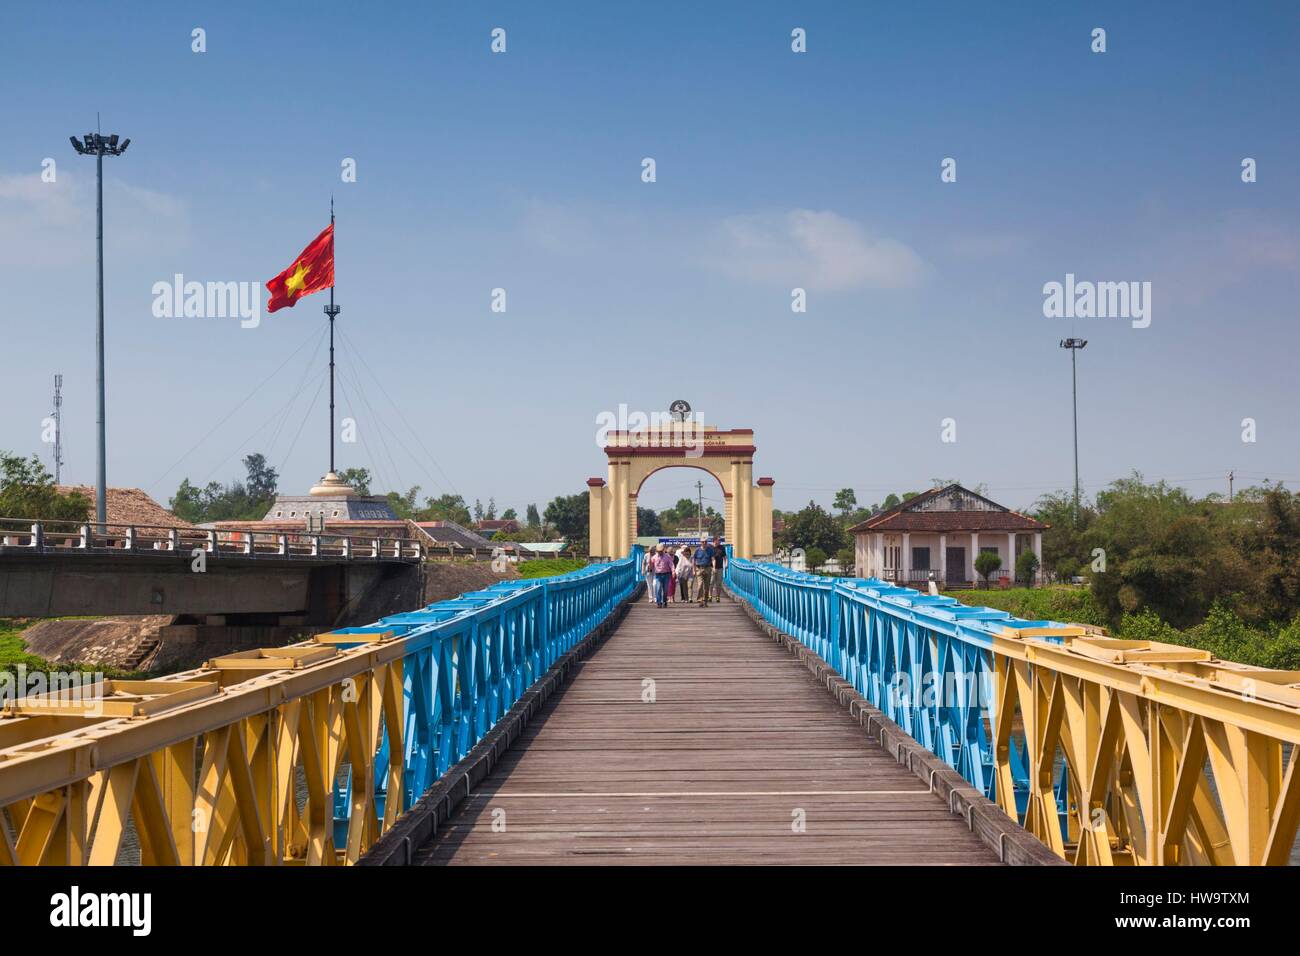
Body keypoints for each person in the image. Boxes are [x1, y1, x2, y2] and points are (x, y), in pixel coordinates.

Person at [651, 544, 674, 608]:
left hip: (666, 574)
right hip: (658, 575)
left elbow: (671, 564)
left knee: (665, 590)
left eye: (661, 551)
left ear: (663, 550)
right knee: (658, 589)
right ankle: (659, 602)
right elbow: (651, 564)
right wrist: (650, 568)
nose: (660, 552)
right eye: (658, 551)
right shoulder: (654, 557)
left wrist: (673, 572)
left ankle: (664, 601)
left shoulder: (667, 556)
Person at [693, 536, 714, 606]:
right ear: (700, 542)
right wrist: (693, 569)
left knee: (707, 586)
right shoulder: (697, 550)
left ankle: (705, 600)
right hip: (699, 568)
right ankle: (700, 600)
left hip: (707, 568)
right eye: (703, 542)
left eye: (705, 542)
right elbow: (694, 560)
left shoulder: (710, 550)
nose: (704, 543)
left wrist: (714, 567)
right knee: (700, 585)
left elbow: (713, 559)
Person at [710, 536, 726, 603]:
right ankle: (709, 596)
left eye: (720, 540)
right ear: (714, 541)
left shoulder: (722, 548)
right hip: (711, 568)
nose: (720, 541)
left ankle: (717, 597)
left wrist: (726, 563)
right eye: (718, 540)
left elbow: (725, 557)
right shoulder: (710, 548)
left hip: (720, 568)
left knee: (718, 584)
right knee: (711, 582)